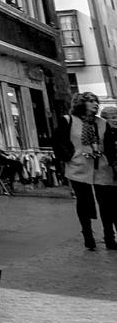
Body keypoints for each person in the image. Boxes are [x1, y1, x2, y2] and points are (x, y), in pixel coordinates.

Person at [51, 93, 116, 250]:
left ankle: (109, 237)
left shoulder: (102, 123)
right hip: (78, 167)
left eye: (96, 101)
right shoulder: (69, 120)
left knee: (106, 204)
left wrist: (113, 163)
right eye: (90, 101)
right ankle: (88, 235)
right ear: (81, 103)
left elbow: (108, 146)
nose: (95, 104)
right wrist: (69, 157)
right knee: (84, 202)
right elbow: (59, 142)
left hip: (101, 167)